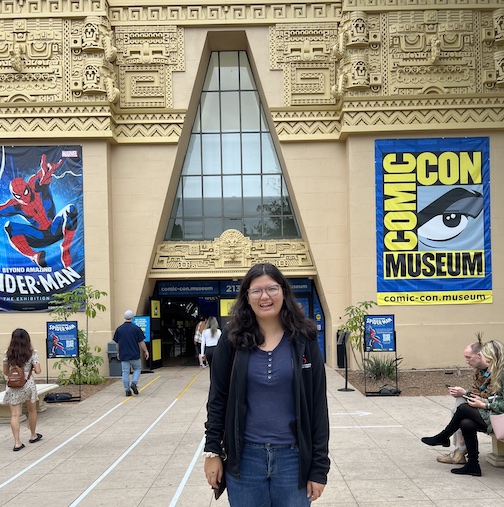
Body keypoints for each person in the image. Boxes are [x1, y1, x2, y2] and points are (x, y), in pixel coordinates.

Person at [204, 263, 330, 506]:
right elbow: (217, 399)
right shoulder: (232, 339)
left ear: (283, 291)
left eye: (272, 288)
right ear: (246, 297)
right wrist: (212, 452)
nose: (265, 296)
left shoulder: (304, 338)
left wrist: (319, 467)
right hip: (245, 458)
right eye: (256, 291)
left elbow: (317, 405)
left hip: (293, 460)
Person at [421, 340, 504, 476]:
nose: (485, 359)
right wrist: (479, 399)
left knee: (463, 409)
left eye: (485, 356)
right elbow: (486, 394)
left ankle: (444, 436)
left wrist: (484, 404)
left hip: (499, 417)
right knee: (466, 423)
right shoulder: (485, 372)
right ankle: (472, 465)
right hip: (495, 415)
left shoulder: (501, 374)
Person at [0, 153, 78, 268]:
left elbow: (41, 178)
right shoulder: (15, 205)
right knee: (9, 226)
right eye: (19, 196)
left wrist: (46, 172)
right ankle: (34, 256)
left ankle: (65, 247)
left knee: (70, 209)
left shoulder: (35, 186)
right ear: (15, 196)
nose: (24, 198)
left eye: (25, 192)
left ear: (27, 187)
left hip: (56, 228)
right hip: (39, 236)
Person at [437, 341, 492, 465]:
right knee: (463, 416)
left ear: (479, 355)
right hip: (486, 407)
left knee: (461, 410)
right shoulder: (478, 370)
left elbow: (490, 397)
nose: (467, 361)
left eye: (468, 357)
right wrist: (464, 393)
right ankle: (464, 455)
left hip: (494, 412)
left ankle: (448, 440)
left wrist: (465, 393)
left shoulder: (497, 372)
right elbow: (476, 391)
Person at [2, 328, 43, 451]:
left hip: (13, 386)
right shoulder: (32, 353)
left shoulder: (7, 354)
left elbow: (5, 372)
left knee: (15, 414)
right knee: (32, 411)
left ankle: (17, 442)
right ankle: (33, 435)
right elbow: (38, 370)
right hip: (28, 385)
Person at [113, 310, 149, 396]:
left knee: (125, 372)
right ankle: (134, 382)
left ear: (124, 317)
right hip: (134, 354)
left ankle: (127, 390)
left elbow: (117, 343)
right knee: (137, 368)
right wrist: (146, 351)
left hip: (124, 354)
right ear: (132, 317)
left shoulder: (119, 329)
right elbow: (141, 341)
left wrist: (118, 352)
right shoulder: (136, 328)